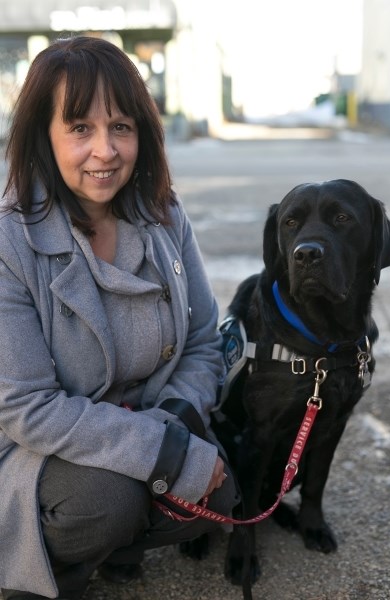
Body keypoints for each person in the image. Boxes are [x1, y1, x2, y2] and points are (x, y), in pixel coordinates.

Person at [0, 36, 239, 600]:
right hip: (34, 444)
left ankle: (117, 546)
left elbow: (204, 342)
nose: (105, 150)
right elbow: (25, 406)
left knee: (217, 493)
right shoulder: (11, 239)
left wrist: (179, 422)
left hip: (147, 422)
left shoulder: (163, 214)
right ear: (45, 137)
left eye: (121, 127)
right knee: (107, 500)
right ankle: (38, 574)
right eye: (80, 128)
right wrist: (164, 454)